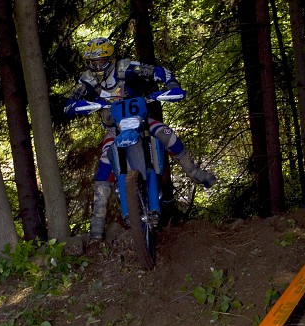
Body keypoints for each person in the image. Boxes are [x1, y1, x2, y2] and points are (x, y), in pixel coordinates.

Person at [64, 37, 216, 242]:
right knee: (103, 170)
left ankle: (195, 172)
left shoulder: (125, 68)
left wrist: (171, 83)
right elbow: (72, 99)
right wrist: (73, 105)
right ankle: (97, 226)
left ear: (111, 59)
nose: (98, 67)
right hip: (115, 130)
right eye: (93, 62)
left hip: (141, 122)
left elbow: (157, 71)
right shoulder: (87, 79)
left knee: (167, 133)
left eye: (102, 61)